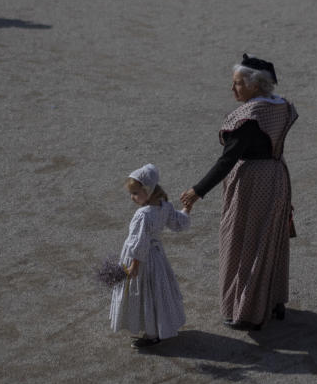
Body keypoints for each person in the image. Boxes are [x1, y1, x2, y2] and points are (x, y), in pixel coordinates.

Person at [181, 55, 297, 331]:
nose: (232, 89)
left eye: (237, 84)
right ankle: (272, 301)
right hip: (277, 176)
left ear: (255, 85)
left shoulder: (247, 118)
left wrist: (198, 191)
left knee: (243, 244)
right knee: (270, 240)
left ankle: (247, 311)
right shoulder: (282, 106)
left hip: (251, 184)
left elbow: (227, 160)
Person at [109, 163, 190, 349]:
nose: (132, 197)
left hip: (144, 260)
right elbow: (178, 223)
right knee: (157, 292)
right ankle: (158, 328)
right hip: (157, 257)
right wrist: (187, 209)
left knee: (144, 292)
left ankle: (152, 334)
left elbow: (139, 242)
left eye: (136, 193)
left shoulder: (143, 215)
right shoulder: (165, 206)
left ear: (148, 190)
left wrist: (134, 265)